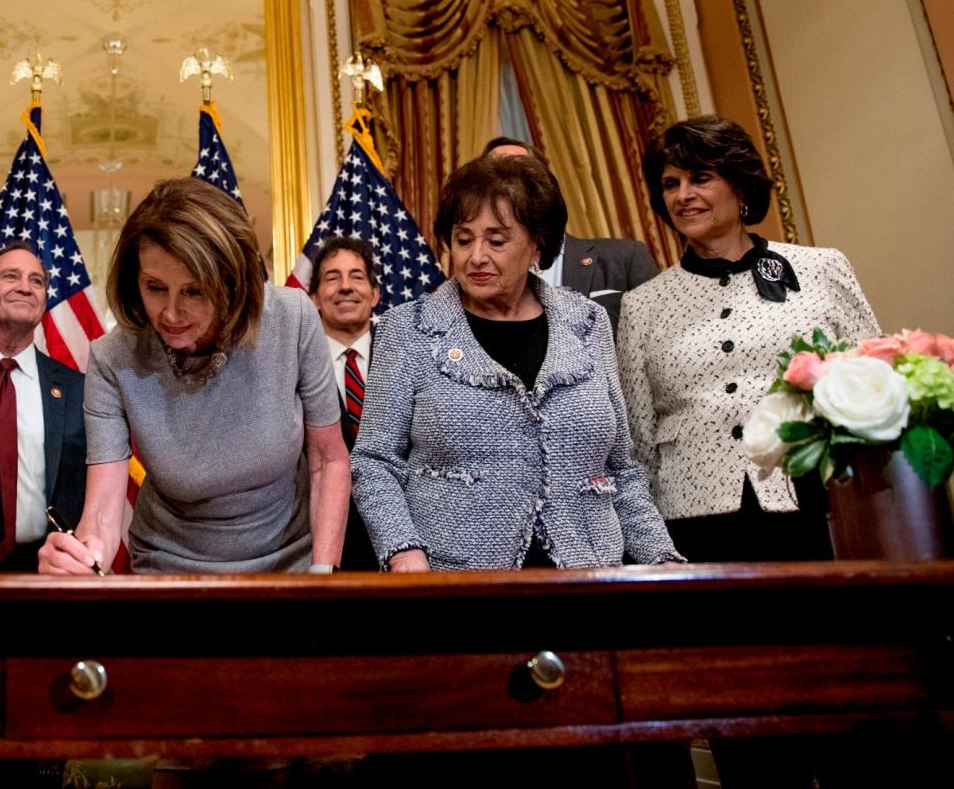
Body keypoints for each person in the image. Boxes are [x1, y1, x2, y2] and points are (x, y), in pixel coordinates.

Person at [352, 154, 680, 571]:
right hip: (456, 582)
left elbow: (621, 469)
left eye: (497, 240)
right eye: (463, 239)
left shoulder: (587, 322)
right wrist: (402, 550)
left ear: (537, 245)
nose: (476, 256)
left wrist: (661, 556)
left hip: (589, 577)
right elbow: (375, 461)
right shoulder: (407, 329)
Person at [39, 178, 349, 574]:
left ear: (233, 284)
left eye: (194, 291)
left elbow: (328, 460)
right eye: (155, 287)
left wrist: (322, 576)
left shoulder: (292, 318)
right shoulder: (112, 357)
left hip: (292, 560)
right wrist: (81, 559)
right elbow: (101, 513)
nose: (170, 313)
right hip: (170, 567)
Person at [616, 115, 879, 563]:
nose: (683, 195)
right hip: (693, 519)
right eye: (670, 184)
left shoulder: (821, 268)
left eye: (701, 178)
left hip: (813, 502)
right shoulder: (642, 305)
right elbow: (636, 440)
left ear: (740, 186)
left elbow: (876, 386)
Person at [0, 240, 86, 572]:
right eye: (11, 276)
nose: (25, 287)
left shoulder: (76, 389)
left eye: (36, 281)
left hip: (43, 570)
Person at [484, 136, 657, 332]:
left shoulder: (625, 258)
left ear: (545, 185)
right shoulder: (477, 277)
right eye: (493, 176)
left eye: (517, 172)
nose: (504, 187)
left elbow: (661, 341)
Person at [306, 235, 382, 571]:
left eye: (357, 276)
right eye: (332, 278)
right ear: (314, 298)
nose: (346, 287)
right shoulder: (297, 365)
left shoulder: (404, 357)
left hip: (402, 545)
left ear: (375, 294)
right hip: (321, 546)